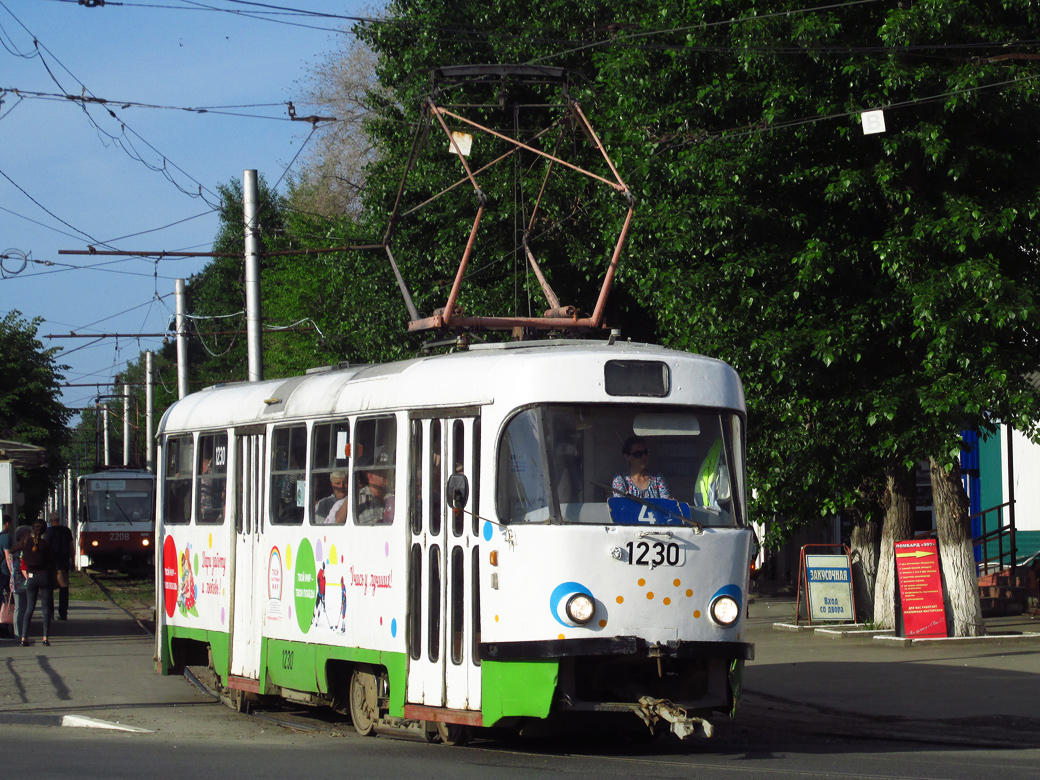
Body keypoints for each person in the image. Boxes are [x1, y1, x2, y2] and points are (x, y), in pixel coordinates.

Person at [14, 518, 54, 646]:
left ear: (32, 529)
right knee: (45, 609)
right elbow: (51, 561)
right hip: (44, 577)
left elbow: (14, 552)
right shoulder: (46, 544)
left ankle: (24, 637)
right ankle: (45, 638)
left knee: (29, 608)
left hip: (30, 578)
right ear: (44, 530)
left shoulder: (26, 543)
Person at [45, 511, 74, 621]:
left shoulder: (49, 532)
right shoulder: (67, 531)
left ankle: (50, 613)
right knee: (64, 587)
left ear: (51, 520)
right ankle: (63, 613)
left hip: (52, 563)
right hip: (64, 562)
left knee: (49, 588)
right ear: (59, 520)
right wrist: (72, 560)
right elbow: (71, 547)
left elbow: (47, 547)